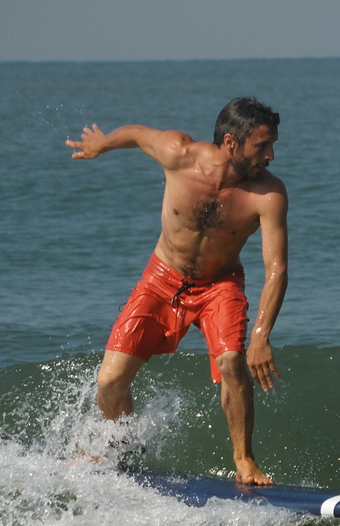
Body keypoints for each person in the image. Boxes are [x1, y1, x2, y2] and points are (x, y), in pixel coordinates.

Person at [66, 97, 288, 485]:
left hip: (220, 285)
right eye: (262, 146)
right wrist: (102, 144)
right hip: (162, 277)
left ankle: (244, 459)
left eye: (272, 145)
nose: (270, 156)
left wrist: (261, 335)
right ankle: (121, 447)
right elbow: (137, 135)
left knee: (233, 361)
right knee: (109, 382)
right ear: (232, 143)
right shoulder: (179, 153)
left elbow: (276, 268)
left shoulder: (268, 195)